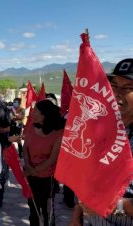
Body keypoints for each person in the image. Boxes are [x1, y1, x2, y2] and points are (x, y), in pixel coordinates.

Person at [70, 58, 133, 225]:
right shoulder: (102, 129)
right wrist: (77, 214)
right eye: (114, 86)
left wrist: (115, 205)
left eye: (128, 88)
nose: (118, 93)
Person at [23, 99, 64, 226]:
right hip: (31, 176)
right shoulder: (30, 127)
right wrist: (29, 168)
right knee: (33, 209)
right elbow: (25, 148)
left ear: (44, 115)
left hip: (47, 178)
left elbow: (52, 159)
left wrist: (35, 170)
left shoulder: (57, 133)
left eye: (36, 111)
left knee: (47, 212)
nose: (33, 113)